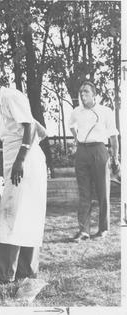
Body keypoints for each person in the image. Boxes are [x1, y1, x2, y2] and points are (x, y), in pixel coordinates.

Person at [0, 72, 47, 283]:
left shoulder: (11, 97)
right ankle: (24, 270)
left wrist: (20, 160)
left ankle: (4, 273)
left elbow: (30, 128)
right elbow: (13, 134)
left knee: (9, 215)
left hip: (25, 164)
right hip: (18, 160)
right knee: (23, 215)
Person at [69, 81, 120, 242]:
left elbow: (113, 136)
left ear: (94, 94)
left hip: (99, 150)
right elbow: (71, 125)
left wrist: (115, 157)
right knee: (84, 193)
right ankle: (83, 231)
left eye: (86, 92)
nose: (83, 95)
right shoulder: (77, 111)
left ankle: (103, 229)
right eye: (81, 92)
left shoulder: (105, 111)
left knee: (102, 192)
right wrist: (77, 139)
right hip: (82, 151)